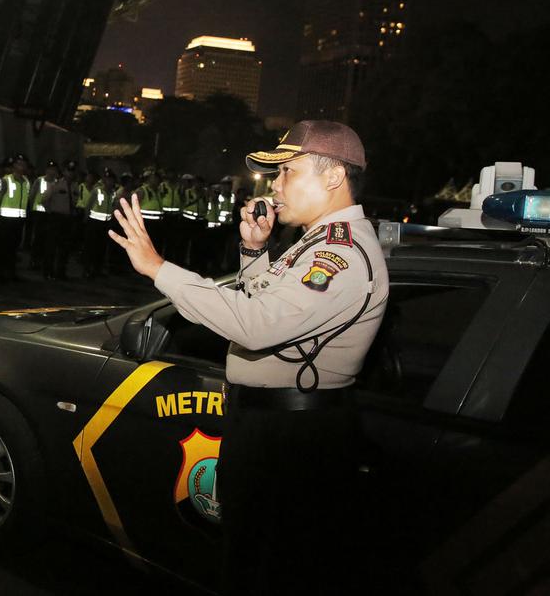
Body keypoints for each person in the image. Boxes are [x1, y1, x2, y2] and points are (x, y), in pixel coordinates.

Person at [107, 120, 390, 595]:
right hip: (271, 426)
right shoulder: (314, 241)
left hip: (293, 435)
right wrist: (255, 251)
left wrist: (158, 268)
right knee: (248, 557)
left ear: (333, 177)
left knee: (269, 569)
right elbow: (271, 306)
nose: (274, 186)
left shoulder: (339, 254)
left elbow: (256, 325)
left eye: (288, 172)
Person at [0, 154, 31, 283]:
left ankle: (11, 272)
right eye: (19, 164)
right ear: (14, 166)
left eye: (24, 165)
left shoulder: (26, 181)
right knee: (4, 247)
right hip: (6, 219)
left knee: (14, 247)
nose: (21, 167)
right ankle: (0, 274)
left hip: (19, 220)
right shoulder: (6, 180)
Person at [36, 160, 74, 280]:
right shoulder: (56, 185)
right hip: (56, 218)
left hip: (68, 219)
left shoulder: (75, 186)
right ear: (64, 172)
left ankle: (61, 272)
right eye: (68, 171)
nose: (70, 174)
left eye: (72, 171)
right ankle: (48, 271)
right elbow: (43, 199)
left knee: (64, 247)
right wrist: (50, 211)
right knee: (51, 246)